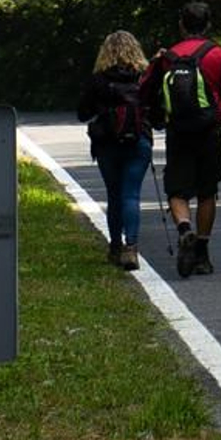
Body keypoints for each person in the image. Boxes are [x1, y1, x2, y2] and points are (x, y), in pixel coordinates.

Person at [140, 1, 221, 278]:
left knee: (177, 189)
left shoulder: (167, 57)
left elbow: (145, 90)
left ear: (182, 24)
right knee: (206, 190)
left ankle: (184, 229)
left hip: (178, 130)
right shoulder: (218, 54)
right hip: (210, 130)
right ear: (208, 24)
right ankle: (202, 253)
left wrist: (154, 118)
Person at [76, 30, 153, 271]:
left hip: (107, 143)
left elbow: (83, 113)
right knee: (131, 195)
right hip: (138, 141)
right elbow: (157, 111)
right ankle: (131, 247)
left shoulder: (98, 79)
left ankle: (115, 247)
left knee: (114, 194)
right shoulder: (144, 78)